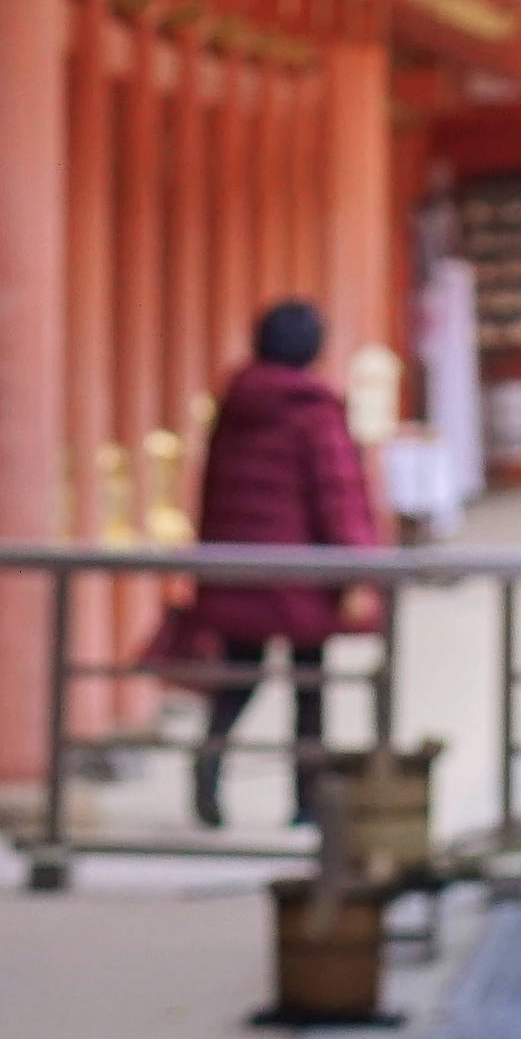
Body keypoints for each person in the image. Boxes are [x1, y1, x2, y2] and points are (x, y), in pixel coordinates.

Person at [179, 299, 385, 829]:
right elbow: (336, 494)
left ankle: (210, 762)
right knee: (309, 685)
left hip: (240, 566)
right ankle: (306, 799)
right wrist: (355, 571)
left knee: (238, 677)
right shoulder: (313, 409)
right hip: (302, 574)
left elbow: (212, 490)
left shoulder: (235, 405)